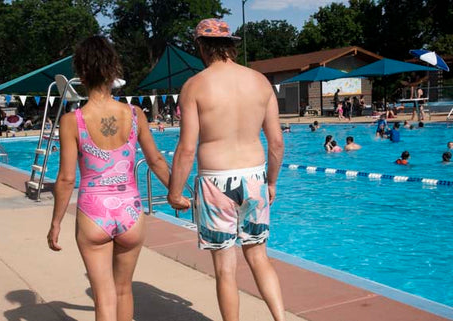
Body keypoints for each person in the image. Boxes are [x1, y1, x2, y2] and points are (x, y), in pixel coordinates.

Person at [46, 36, 189, 321]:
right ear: (113, 71)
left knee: (104, 297)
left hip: (93, 214)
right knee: (123, 290)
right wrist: (175, 193)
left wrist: (56, 223)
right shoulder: (134, 114)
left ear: (82, 73)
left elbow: (65, 178)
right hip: (130, 213)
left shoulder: (72, 121)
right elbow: (156, 160)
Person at [167, 18, 286, 321]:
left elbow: (187, 148)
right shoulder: (260, 82)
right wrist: (271, 182)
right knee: (259, 257)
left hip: (216, 183)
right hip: (256, 177)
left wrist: (175, 191)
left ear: (202, 47)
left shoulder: (194, 86)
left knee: (225, 268)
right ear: (232, 45)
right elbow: (276, 143)